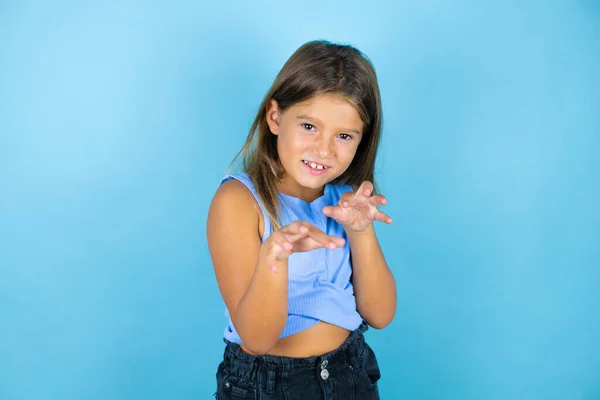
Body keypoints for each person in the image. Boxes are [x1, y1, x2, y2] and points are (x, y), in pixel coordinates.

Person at [206, 39, 397, 399]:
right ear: (275, 117)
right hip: (268, 384)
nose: (324, 150)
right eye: (309, 126)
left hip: (350, 373)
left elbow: (381, 314)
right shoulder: (238, 201)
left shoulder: (346, 200)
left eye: (343, 136)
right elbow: (258, 339)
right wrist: (274, 258)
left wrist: (360, 232)